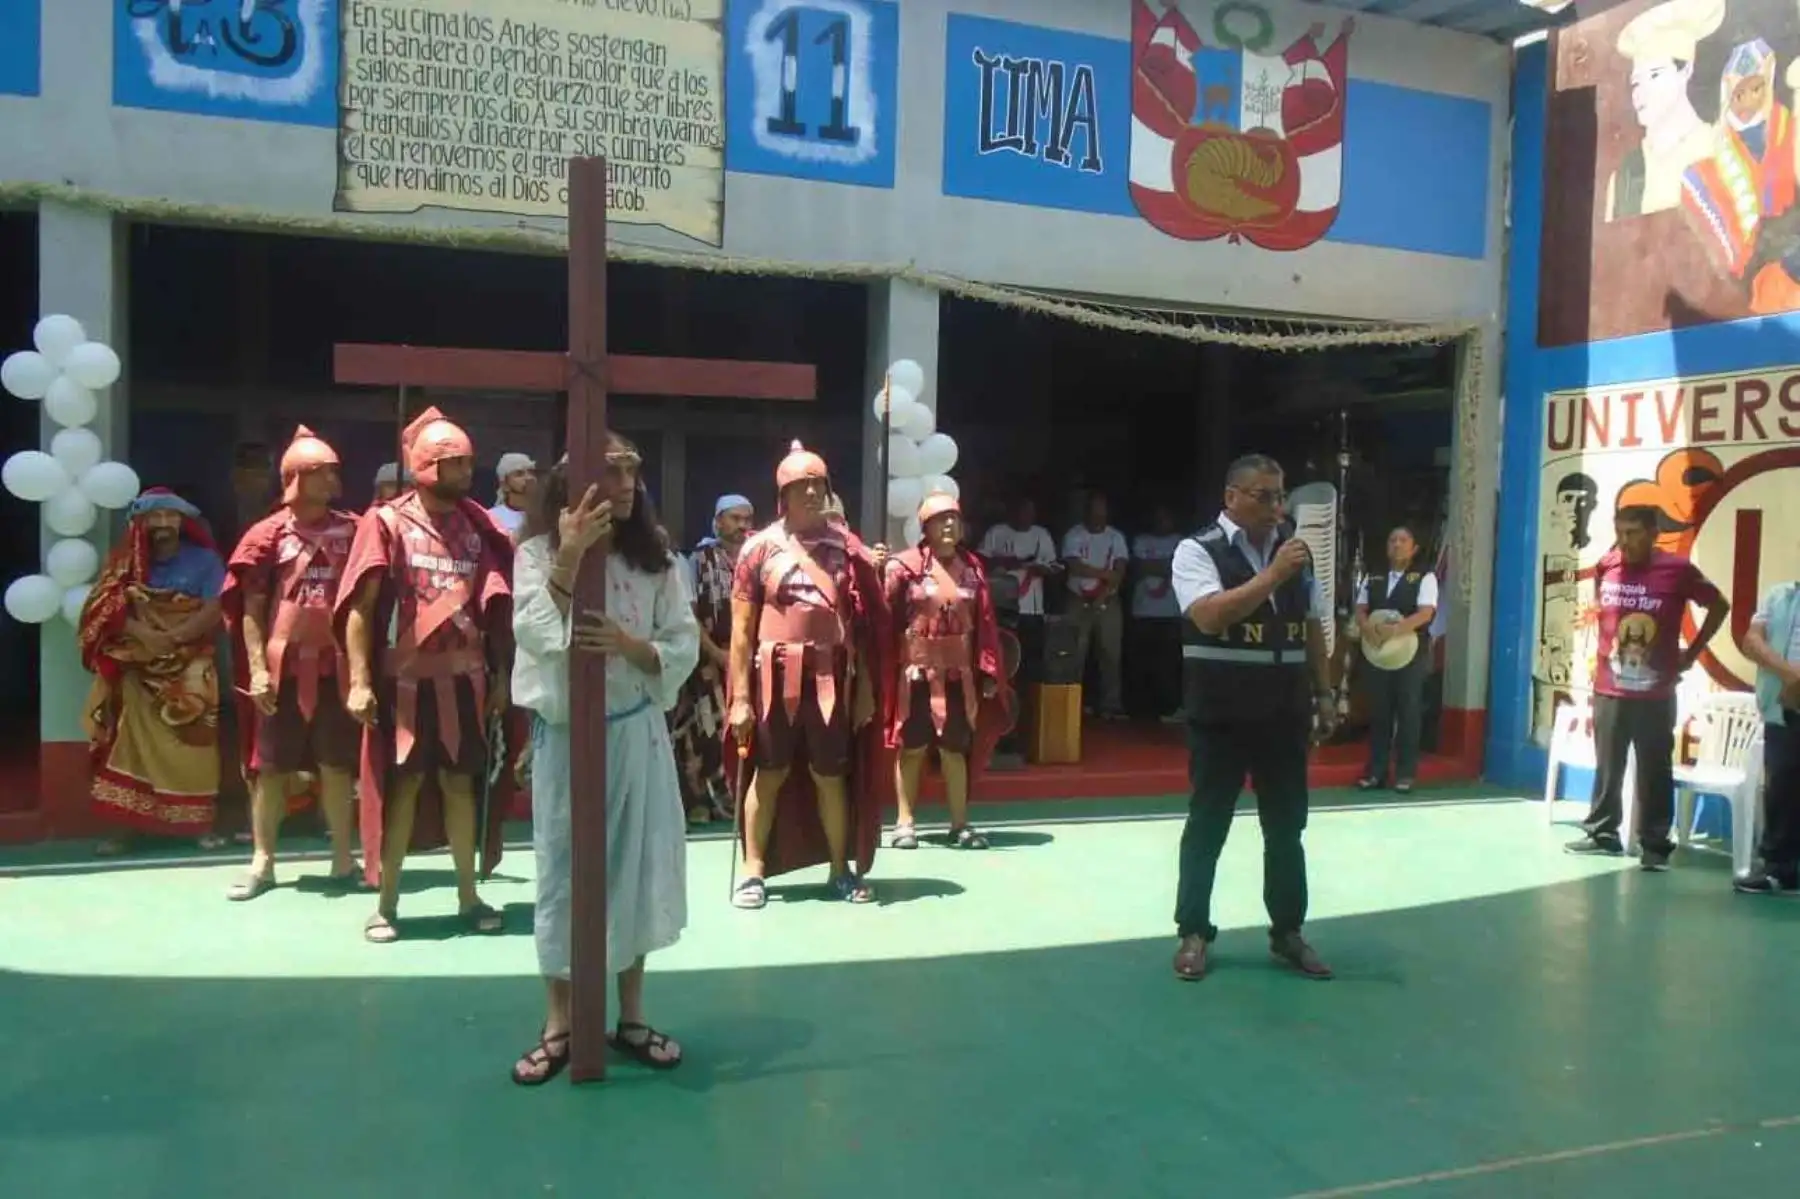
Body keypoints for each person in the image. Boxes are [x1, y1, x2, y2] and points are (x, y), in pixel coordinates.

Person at [509, 442, 698, 1084]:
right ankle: (559, 1023)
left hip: (635, 734)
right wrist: (568, 556)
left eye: (632, 468)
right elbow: (534, 635)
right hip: (568, 740)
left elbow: (682, 641)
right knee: (561, 873)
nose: (625, 481)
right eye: (610, 469)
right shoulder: (536, 554)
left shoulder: (655, 558)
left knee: (636, 871)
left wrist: (630, 646)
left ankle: (633, 1016)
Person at [334, 406, 517, 942]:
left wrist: (502, 677)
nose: (466, 473)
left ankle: (468, 896)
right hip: (405, 684)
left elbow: (496, 609)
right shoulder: (386, 522)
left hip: (465, 680)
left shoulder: (478, 525)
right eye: (456, 463)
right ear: (428, 465)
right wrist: (360, 681)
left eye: (468, 463)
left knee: (462, 787)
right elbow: (362, 607)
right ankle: (387, 905)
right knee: (404, 790)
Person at [1169, 455, 1336, 983]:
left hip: (1284, 714)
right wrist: (1274, 574)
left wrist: (1325, 692)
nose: (1276, 507)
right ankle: (1193, 931)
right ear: (1231, 497)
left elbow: (1312, 624)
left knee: (1286, 828)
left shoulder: (1295, 555)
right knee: (1208, 824)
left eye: (1280, 495)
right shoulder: (1197, 550)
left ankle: (1288, 931)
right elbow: (1210, 615)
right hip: (1221, 713)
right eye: (1264, 496)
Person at [724, 441, 890, 909]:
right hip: (773, 678)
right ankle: (753, 871)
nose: (813, 493)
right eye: (802, 486)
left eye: (819, 485)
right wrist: (741, 698)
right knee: (769, 772)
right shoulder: (758, 549)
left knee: (830, 775)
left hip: (832, 677)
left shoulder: (847, 549)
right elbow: (741, 631)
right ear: (784, 495)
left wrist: (866, 688)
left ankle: (840, 870)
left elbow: (866, 625)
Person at [220, 426, 362, 900]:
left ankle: (344, 859)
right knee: (270, 769)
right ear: (297, 477)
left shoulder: (355, 530)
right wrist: (258, 670)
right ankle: (263, 863)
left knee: (337, 765)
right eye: (323, 473)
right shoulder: (267, 534)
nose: (333, 481)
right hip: (282, 670)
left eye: (334, 472)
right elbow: (251, 608)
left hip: (336, 668)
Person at [1565, 505, 1729, 867]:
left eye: (1633, 533)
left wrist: (1692, 653)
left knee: (1654, 769)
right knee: (1608, 766)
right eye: (1620, 532)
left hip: (1655, 694)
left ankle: (1654, 845)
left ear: (1654, 534)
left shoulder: (1678, 571)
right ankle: (1603, 834)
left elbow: (1719, 605)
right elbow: (1603, 608)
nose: (1625, 541)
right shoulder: (1608, 565)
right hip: (1608, 689)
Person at [78, 488, 229, 855]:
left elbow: (216, 606)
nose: (163, 524)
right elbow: (103, 610)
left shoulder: (205, 561)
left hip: (191, 668)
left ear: (182, 522)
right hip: (138, 669)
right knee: (128, 745)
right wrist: (145, 635)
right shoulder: (123, 565)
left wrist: (174, 637)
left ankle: (197, 826)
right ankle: (125, 829)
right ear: (140, 524)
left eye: (170, 516)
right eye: (154, 517)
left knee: (195, 745)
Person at [884, 492, 1010, 850]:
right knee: (912, 747)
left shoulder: (973, 568)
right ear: (925, 528)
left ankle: (959, 824)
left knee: (955, 749)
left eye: (954, 517)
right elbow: (885, 619)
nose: (950, 524)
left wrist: (988, 669)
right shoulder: (903, 567)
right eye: (941, 519)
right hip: (916, 673)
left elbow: (985, 622)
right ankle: (904, 824)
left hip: (958, 675)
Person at [671, 494, 754, 825]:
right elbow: (688, 615)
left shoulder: (757, 556)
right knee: (706, 733)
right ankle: (704, 802)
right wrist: (716, 653)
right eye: (735, 518)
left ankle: (741, 803)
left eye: (747, 519)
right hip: (708, 660)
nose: (742, 526)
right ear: (718, 521)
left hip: (749, 661)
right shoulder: (698, 559)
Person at [1354, 525, 1439, 794]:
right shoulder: (1374, 576)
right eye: (1393, 540)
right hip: (1378, 651)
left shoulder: (1424, 577)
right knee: (1379, 710)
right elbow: (1360, 608)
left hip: (1411, 652)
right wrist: (1367, 627)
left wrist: (1396, 630)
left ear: (1414, 548)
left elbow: (1425, 613)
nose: (1397, 545)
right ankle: (1375, 772)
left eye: (1403, 540)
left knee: (1408, 711)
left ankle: (1405, 774)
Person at [1737, 574, 1800, 894]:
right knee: (1781, 783)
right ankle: (1778, 869)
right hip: (1782, 707)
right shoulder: (1779, 596)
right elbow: (1751, 642)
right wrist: (1791, 677)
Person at [1062, 491, 1128, 719]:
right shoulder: (1074, 535)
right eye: (1094, 509)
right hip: (1077, 599)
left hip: (1108, 600)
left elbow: (1119, 572)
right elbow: (1074, 566)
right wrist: (1104, 573)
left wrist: (1104, 593)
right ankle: (1072, 704)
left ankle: (1111, 705)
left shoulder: (1116, 537)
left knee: (1110, 653)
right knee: (1074, 653)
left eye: (1102, 509)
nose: (1098, 514)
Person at [1129, 503, 1186, 721]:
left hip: (1171, 612)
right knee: (1142, 663)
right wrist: (1167, 564)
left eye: (1165, 517)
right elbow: (1138, 568)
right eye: (1158, 517)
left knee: (1169, 664)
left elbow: (1180, 569)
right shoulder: (1141, 540)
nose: (1161, 522)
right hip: (1143, 611)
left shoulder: (1181, 542)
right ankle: (1140, 708)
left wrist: (1154, 565)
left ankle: (1170, 708)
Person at [487, 452, 537, 540]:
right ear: (504, 485)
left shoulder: (546, 514)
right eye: (519, 474)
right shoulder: (491, 518)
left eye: (531, 472)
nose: (529, 478)